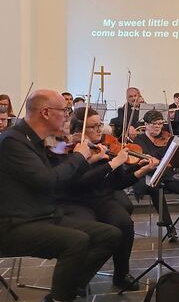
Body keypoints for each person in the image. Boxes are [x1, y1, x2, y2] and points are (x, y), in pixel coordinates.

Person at [0, 90, 121, 302]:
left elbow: (57, 181)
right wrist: (78, 156)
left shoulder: (36, 139)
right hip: (14, 223)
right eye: (63, 111)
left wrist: (85, 159)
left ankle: (57, 301)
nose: (67, 116)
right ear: (45, 112)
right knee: (75, 242)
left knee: (109, 235)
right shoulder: (13, 141)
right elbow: (48, 182)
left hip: (41, 215)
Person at [63, 107, 160, 291]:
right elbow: (81, 182)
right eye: (93, 127)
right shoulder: (73, 153)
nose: (100, 129)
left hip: (102, 199)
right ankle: (78, 278)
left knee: (125, 223)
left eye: (100, 125)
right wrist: (112, 163)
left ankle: (121, 274)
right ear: (79, 130)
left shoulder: (104, 150)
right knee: (87, 234)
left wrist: (140, 170)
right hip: (78, 203)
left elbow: (118, 183)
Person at [132, 110, 179, 241]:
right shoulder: (139, 139)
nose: (158, 127)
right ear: (146, 125)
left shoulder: (165, 138)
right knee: (155, 187)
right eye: (154, 124)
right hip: (146, 173)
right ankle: (170, 227)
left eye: (160, 124)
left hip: (165, 173)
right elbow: (146, 158)